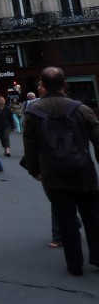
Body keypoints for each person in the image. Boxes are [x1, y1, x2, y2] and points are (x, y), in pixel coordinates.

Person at [22, 66, 99, 276]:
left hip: (53, 173)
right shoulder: (80, 108)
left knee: (65, 218)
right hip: (84, 171)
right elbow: (97, 136)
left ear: (43, 86)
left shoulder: (33, 112)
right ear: (64, 84)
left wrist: (34, 169)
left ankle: (74, 265)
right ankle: (97, 256)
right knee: (93, 215)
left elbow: (30, 145)